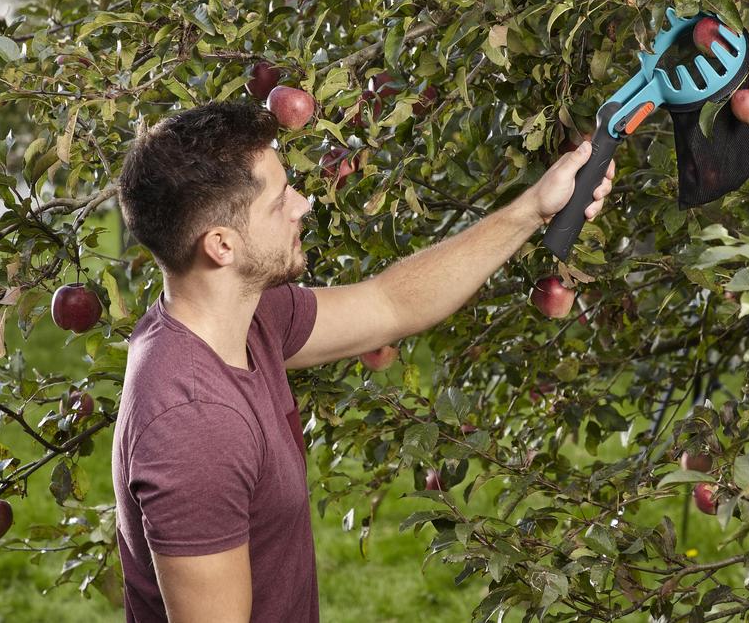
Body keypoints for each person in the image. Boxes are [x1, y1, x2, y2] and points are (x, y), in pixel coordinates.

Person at [111, 100, 615, 622]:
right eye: (280, 200)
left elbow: (391, 303)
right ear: (222, 245)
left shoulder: (244, 318)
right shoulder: (194, 425)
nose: (302, 205)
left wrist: (535, 206)